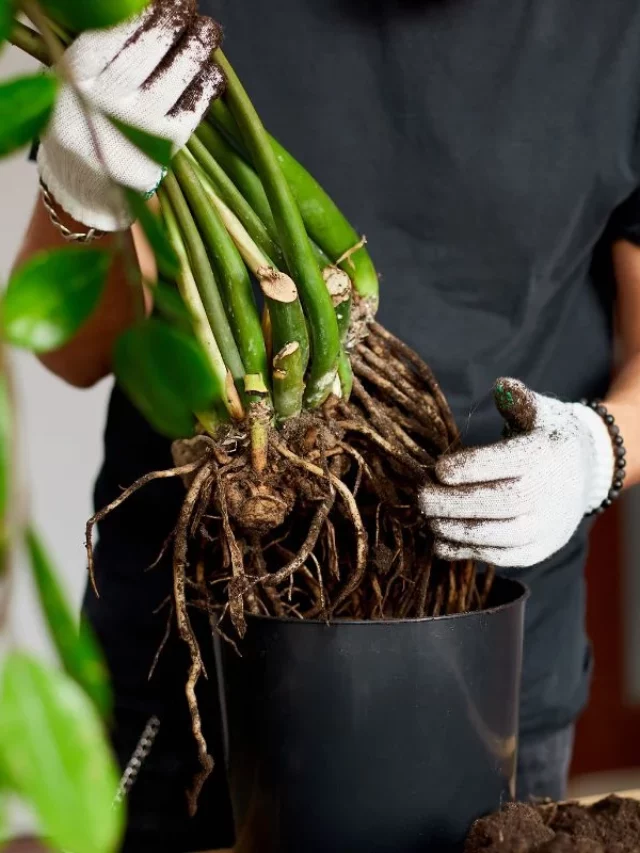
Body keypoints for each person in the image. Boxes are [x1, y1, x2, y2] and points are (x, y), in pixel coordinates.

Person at [11, 0, 640, 850]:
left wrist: (597, 450)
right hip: (189, 680)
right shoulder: (171, 8)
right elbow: (71, 348)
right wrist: (80, 196)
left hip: (484, 680)